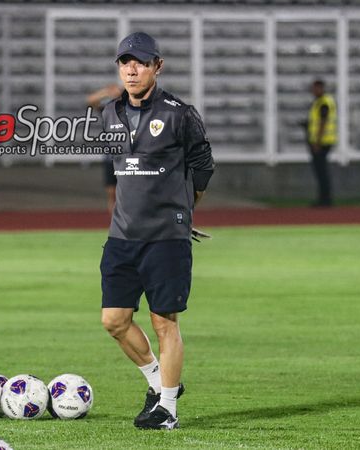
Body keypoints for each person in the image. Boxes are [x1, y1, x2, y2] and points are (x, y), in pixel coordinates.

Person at [99, 32, 214, 430]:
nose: (132, 69)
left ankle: (167, 408)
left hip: (166, 239)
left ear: (157, 67)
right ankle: (158, 380)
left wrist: (183, 210)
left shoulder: (181, 113)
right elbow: (116, 167)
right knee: (113, 320)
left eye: (141, 62)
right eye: (125, 62)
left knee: (164, 322)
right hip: (122, 237)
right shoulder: (108, 113)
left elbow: (203, 166)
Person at [86, 83, 124, 214]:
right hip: (110, 155)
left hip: (127, 156)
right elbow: (90, 101)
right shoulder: (108, 109)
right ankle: (114, 218)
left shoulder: (131, 109)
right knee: (111, 191)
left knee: (126, 189)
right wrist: (106, 92)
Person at [306, 79, 337, 207]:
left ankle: (325, 199)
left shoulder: (323, 103)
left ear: (320, 88)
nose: (313, 91)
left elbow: (323, 123)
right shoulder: (321, 102)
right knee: (321, 172)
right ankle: (324, 198)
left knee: (321, 172)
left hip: (322, 142)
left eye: (315, 88)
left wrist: (317, 142)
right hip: (322, 141)